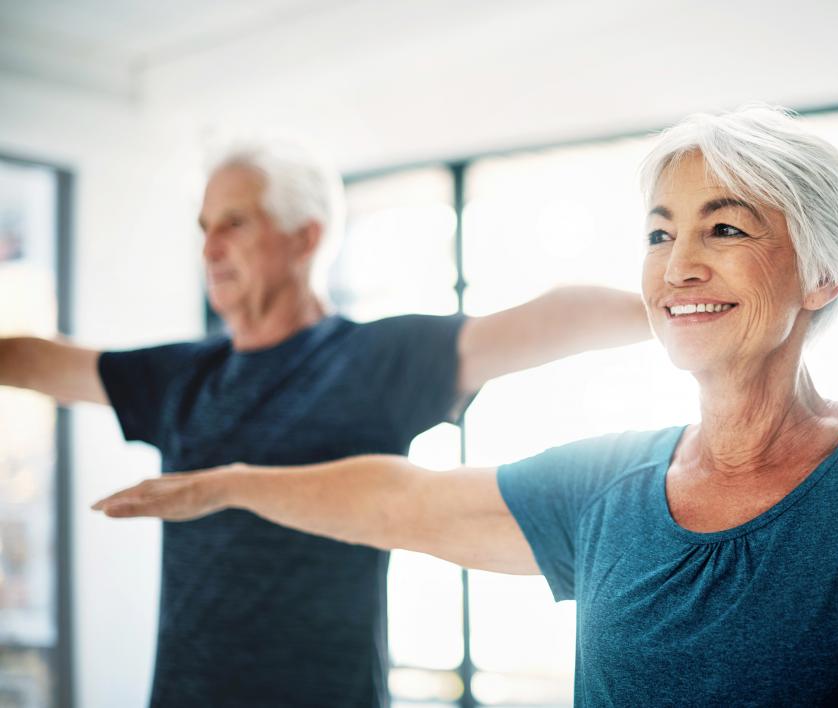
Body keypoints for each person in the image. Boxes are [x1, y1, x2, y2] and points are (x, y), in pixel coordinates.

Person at [92, 107, 838, 707]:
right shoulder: (612, 484)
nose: (679, 263)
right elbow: (405, 500)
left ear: (823, 273)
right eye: (659, 233)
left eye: (724, 226)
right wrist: (227, 483)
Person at [0, 141, 652, 707]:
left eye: (234, 223)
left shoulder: (373, 360)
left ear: (305, 237)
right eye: (203, 227)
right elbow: (34, 360)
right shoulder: (181, 377)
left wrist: (688, 308)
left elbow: (548, 320)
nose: (210, 247)